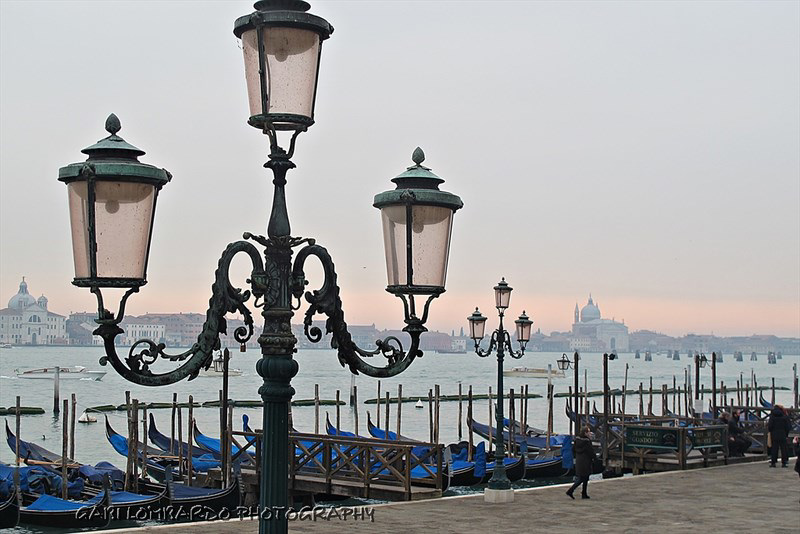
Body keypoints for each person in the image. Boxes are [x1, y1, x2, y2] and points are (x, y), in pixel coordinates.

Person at [566, 426, 596, 500]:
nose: (590, 433)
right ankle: (570, 491)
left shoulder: (577, 440)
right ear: (585, 433)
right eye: (588, 432)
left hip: (579, 460)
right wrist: (595, 458)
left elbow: (573, 449)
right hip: (586, 461)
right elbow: (590, 451)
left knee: (585, 477)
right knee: (582, 478)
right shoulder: (587, 441)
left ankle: (584, 493)